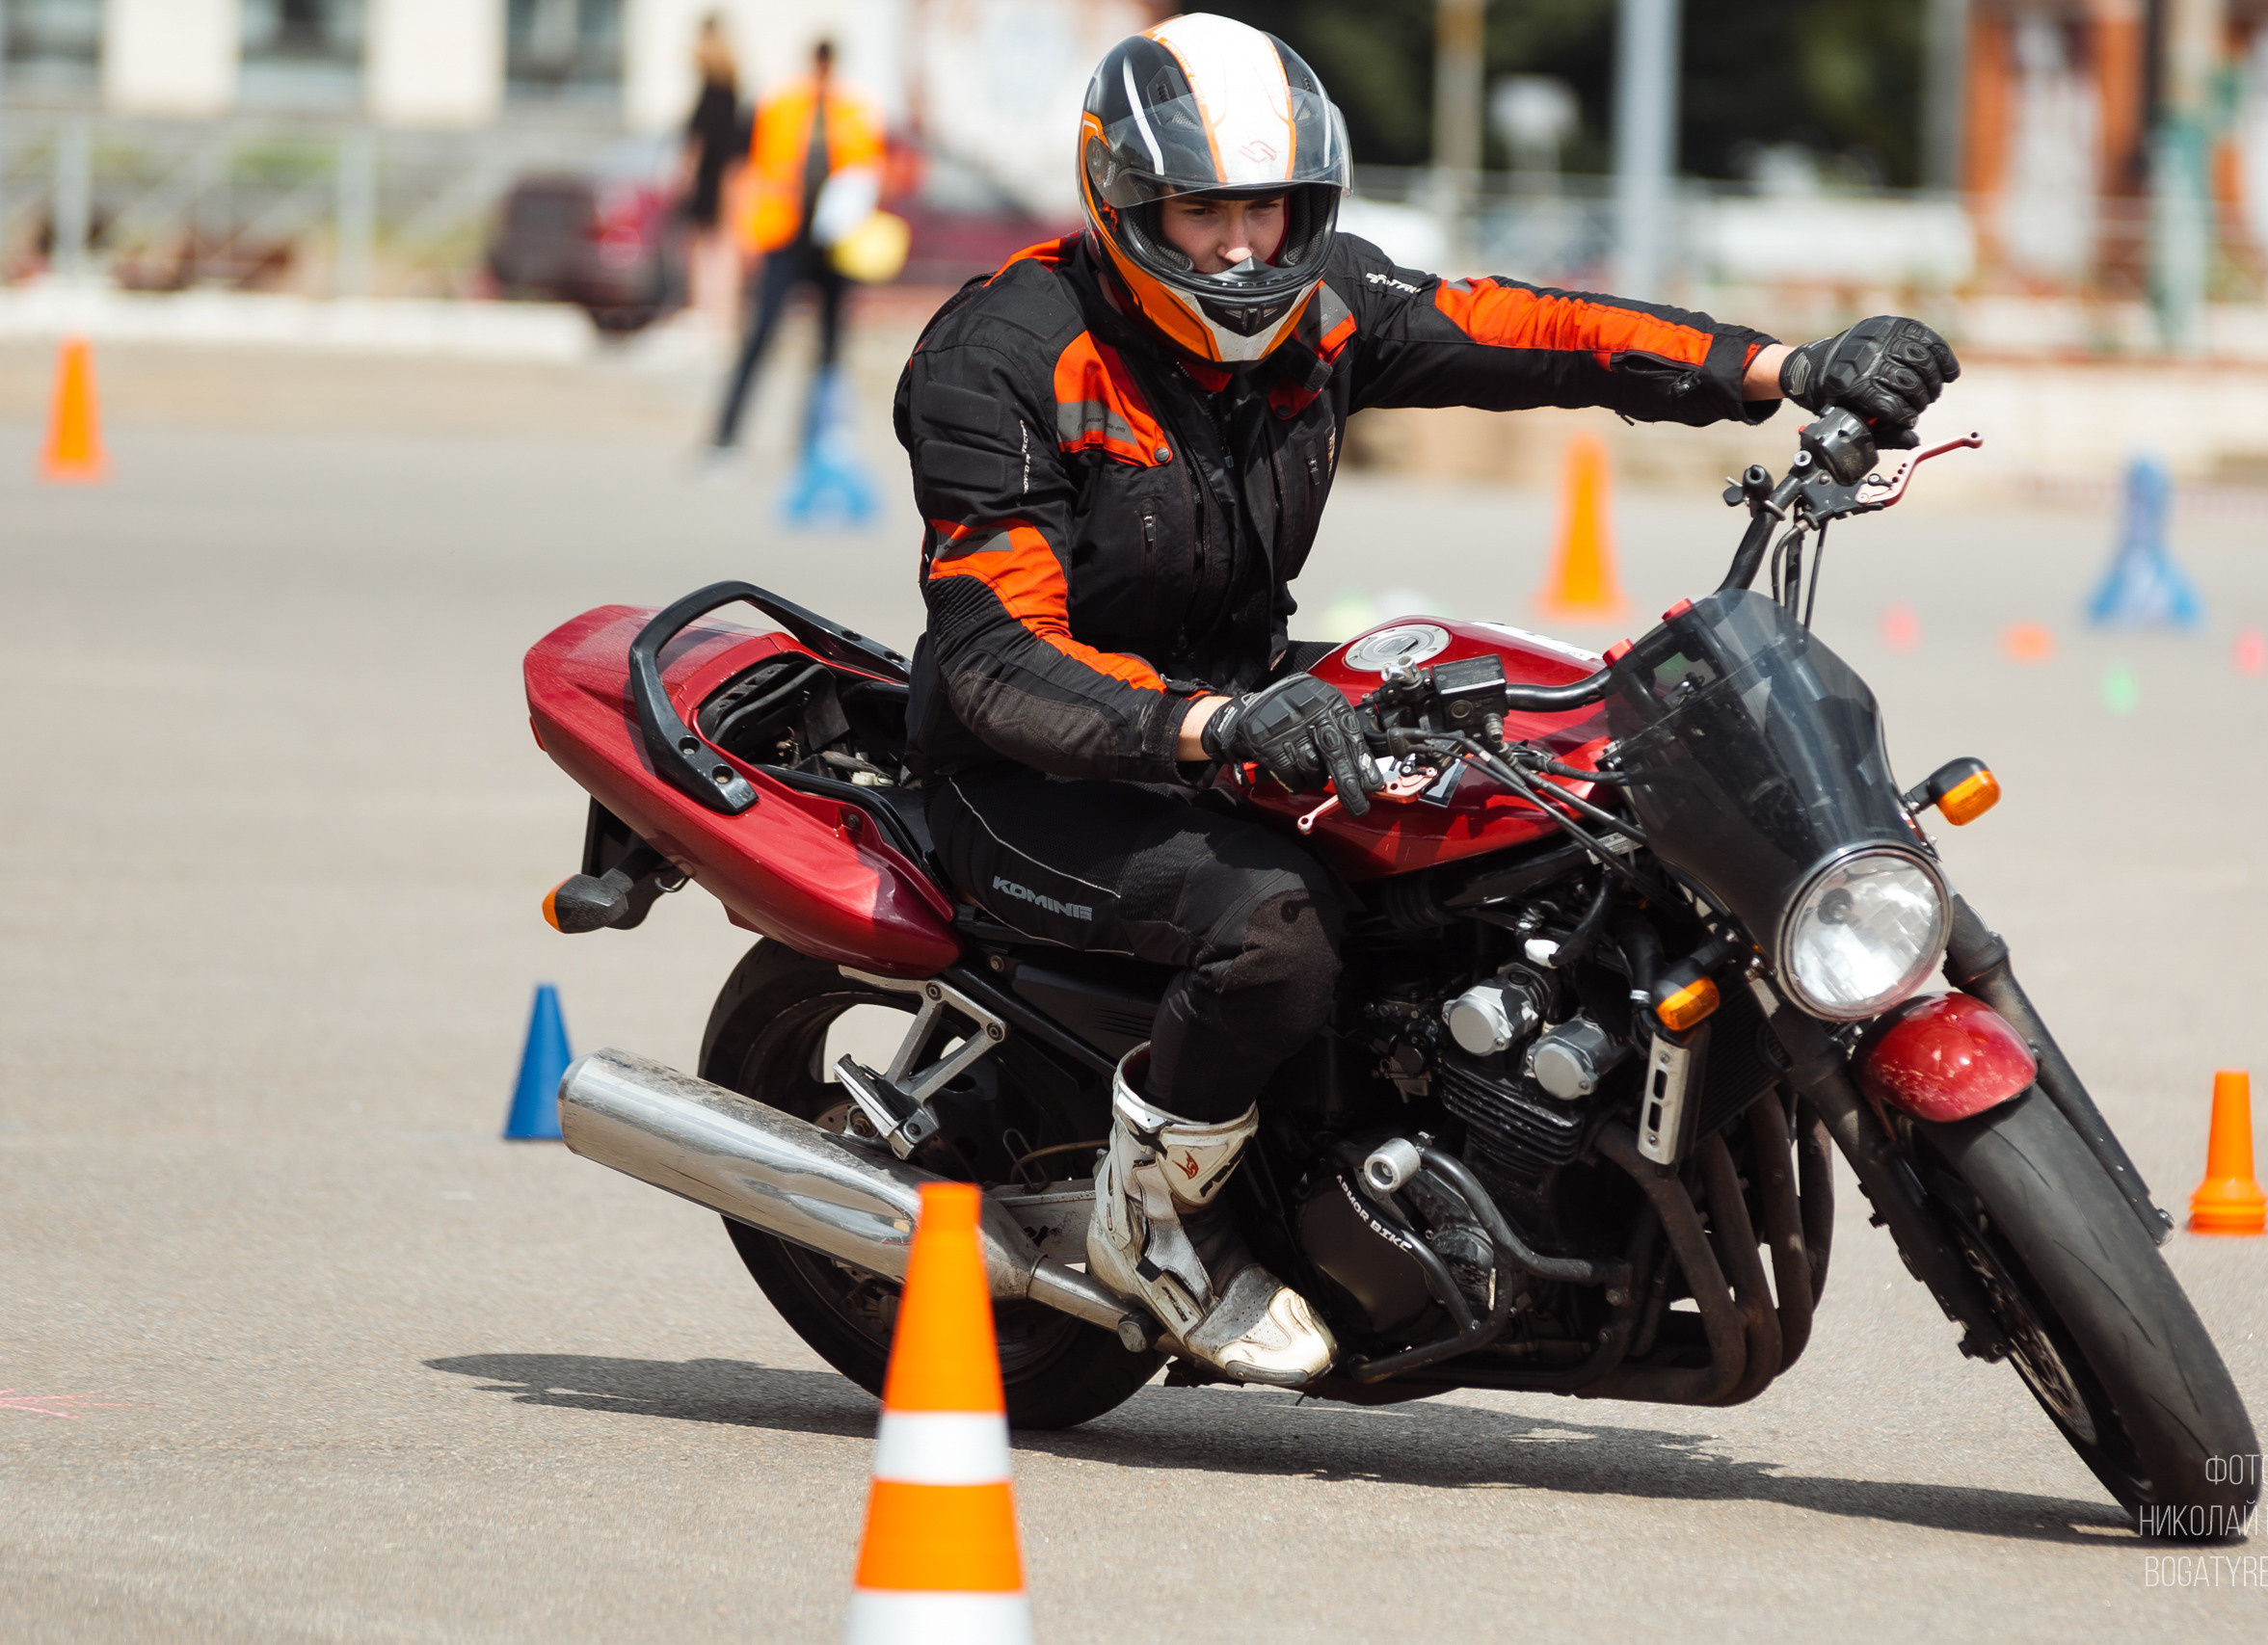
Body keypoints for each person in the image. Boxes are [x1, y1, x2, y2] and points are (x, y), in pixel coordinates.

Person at [894, 13, 1959, 1386]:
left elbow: (1539, 329)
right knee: (1277, 933)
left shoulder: (1321, 301)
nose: (1239, 246)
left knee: (1546, 818)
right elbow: (996, 654)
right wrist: (1206, 726)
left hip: (1244, 713)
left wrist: (1782, 370)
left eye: (1266, 209)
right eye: (1202, 209)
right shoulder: (1006, 355)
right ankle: (1151, 1214)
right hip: (1034, 765)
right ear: (1125, 203)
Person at [707, 40, 885, 457]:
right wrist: (745, 234)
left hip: (835, 245)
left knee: (830, 348)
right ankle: (724, 439)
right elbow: (749, 168)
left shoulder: (855, 111)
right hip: (784, 237)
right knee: (760, 338)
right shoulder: (781, 105)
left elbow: (872, 170)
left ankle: (816, 444)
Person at [680, 13, 744, 325]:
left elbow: (700, 136)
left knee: (702, 243)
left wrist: (687, 170)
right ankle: (722, 307)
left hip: (709, 172)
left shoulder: (710, 85)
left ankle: (704, 306)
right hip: (726, 171)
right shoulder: (731, 81)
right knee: (721, 241)